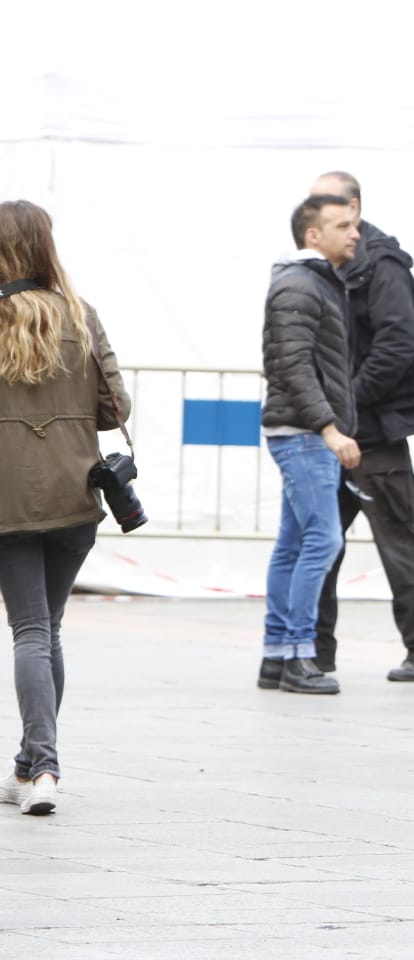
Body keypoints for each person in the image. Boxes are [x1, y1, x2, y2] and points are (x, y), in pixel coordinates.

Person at [0, 200, 132, 817]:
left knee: (29, 631)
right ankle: (30, 765)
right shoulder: (82, 316)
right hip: (77, 499)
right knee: (47, 630)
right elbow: (116, 409)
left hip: (9, 501)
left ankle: (44, 764)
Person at [307, 173, 414, 683]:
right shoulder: (325, 266)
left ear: (356, 208)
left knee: (397, 541)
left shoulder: (383, 266)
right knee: (318, 543)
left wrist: (344, 405)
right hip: (337, 427)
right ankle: (314, 654)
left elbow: (397, 346)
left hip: (376, 430)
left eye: (333, 204)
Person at [258, 195, 362, 696]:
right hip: (302, 435)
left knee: (295, 542)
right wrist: (329, 428)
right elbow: (294, 366)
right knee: (324, 539)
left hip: (300, 431)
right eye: (342, 225)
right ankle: (299, 653)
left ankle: (277, 655)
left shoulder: (311, 282)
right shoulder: (299, 284)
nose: (355, 233)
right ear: (312, 235)